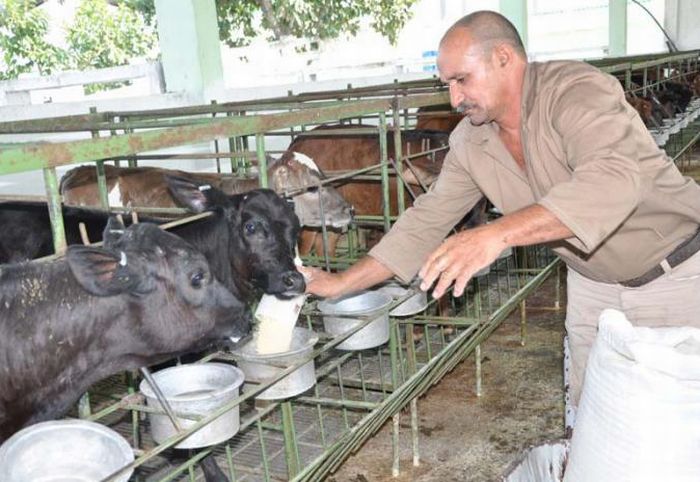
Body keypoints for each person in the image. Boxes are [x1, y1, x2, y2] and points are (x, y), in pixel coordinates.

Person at [300, 10, 700, 415]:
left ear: (504, 58)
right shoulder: (472, 141)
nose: (454, 99)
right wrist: (340, 283)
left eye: (462, 80)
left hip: (674, 276)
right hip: (591, 283)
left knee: (676, 425)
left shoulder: (575, 92)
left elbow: (611, 181)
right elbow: (426, 219)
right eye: (447, 85)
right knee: (591, 413)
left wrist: (495, 234)